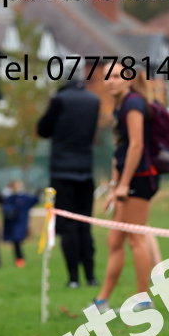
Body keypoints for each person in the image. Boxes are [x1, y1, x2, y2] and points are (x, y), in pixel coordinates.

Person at [91, 63, 158, 313]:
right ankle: (102, 300)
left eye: (117, 76)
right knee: (114, 239)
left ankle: (144, 299)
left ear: (129, 80)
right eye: (108, 76)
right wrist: (113, 186)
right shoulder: (120, 105)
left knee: (135, 239)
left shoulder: (133, 104)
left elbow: (136, 146)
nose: (111, 81)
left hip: (139, 179)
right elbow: (119, 151)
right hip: (126, 181)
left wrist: (125, 184)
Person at [37, 80, 100, 288]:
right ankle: (90, 276)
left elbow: (43, 129)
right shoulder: (94, 101)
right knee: (85, 224)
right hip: (85, 169)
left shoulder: (59, 100)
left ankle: (73, 278)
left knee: (68, 226)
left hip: (61, 171)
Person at [2, 180, 40, 268]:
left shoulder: (24, 198)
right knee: (16, 241)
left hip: (22, 223)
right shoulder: (9, 198)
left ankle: (20, 257)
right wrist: (10, 211)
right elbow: (6, 209)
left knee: (19, 240)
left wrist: (38, 194)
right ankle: (19, 258)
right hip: (13, 225)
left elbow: (34, 200)